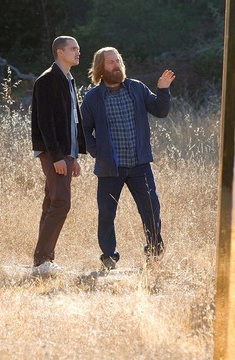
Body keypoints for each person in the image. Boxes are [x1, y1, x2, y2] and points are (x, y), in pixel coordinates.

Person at [80, 47, 175, 270]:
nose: (117, 65)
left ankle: (154, 252)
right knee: (106, 214)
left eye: (118, 61)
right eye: (111, 62)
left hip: (139, 164)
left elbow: (160, 112)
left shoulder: (137, 88)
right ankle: (109, 256)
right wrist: (97, 151)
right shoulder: (93, 98)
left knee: (151, 209)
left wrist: (163, 90)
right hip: (110, 168)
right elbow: (83, 131)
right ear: (101, 68)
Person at [31, 35, 86, 276]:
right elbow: (45, 122)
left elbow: (72, 122)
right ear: (60, 52)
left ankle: (43, 261)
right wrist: (57, 157)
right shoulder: (48, 80)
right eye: (73, 49)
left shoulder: (69, 80)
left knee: (51, 203)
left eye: (78, 49)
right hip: (55, 153)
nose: (78, 53)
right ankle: (43, 262)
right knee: (61, 203)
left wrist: (74, 156)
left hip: (66, 153)